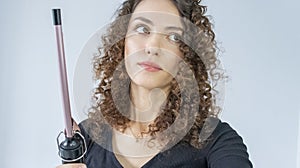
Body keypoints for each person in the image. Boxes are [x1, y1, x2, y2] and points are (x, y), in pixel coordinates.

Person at [57, 0, 253, 167]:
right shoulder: (86, 138)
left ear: (187, 56)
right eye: (142, 29)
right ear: (123, 41)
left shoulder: (216, 140)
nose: (152, 46)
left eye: (174, 37)